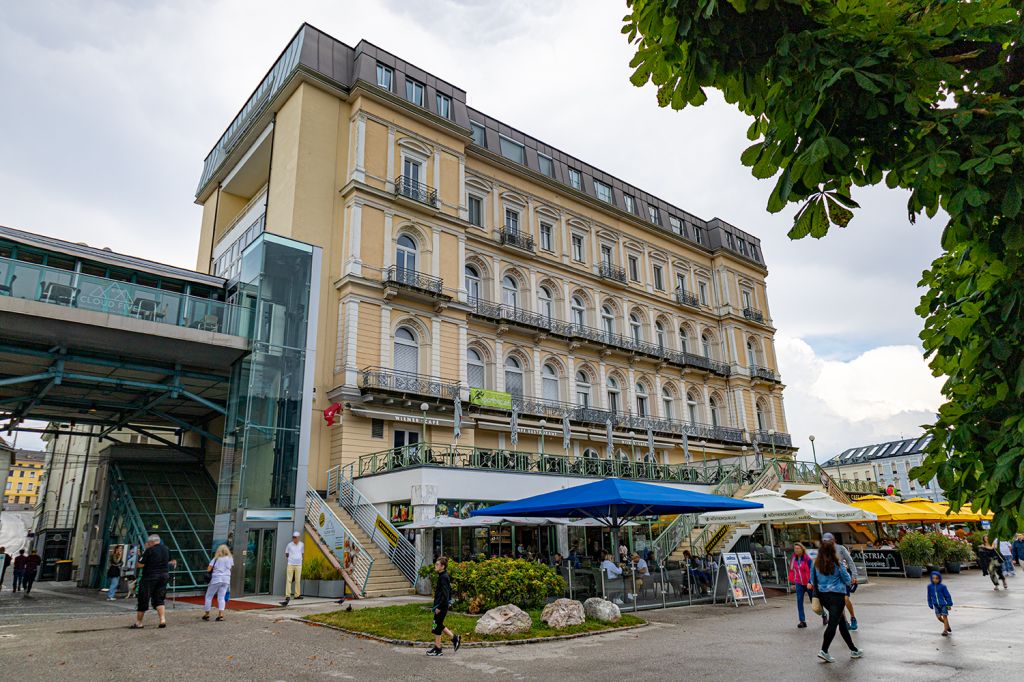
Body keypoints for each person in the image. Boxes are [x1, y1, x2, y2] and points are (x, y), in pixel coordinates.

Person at [812, 540, 862, 663]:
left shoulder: (817, 565)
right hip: (837, 596)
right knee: (833, 624)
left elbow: (813, 581)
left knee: (842, 622)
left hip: (824, 597)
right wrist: (849, 577)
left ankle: (853, 649)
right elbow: (847, 580)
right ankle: (824, 650)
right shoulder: (837, 564)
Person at [132, 534, 176, 629]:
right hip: (164, 576)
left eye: (148, 542)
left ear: (151, 542)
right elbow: (169, 561)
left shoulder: (149, 550)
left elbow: (140, 565)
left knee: (144, 597)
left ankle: (139, 622)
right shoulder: (166, 549)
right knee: (159, 598)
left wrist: (143, 554)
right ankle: (162, 620)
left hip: (150, 577)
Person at [822, 532, 859, 630]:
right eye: (825, 540)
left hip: (844, 575)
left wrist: (854, 575)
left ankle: (853, 618)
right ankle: (845, 622)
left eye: (828, 540)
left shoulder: (841, 548)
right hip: (833, 578)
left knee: (845, 599)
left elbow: (850, 561)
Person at [426, 556, 460, 656]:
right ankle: (439, 647)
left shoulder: (444, 577)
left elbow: (445, 595)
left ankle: (451, 640)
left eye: (437, 564)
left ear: (443, 566)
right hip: (440, 605)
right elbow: (448, 592)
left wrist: (439, 607)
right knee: (437, 625)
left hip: (441, 606)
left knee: (437, 625)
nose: (435, 566)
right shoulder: (442, 576)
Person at [202, 544, 234, 622]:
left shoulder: (216, 559)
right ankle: (221, 614)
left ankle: (207, 614)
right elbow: (230, 568)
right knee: (221, 597)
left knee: (209, 596)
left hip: (216, 579)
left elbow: (209, 569)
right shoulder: (230, 558)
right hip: (226, 579)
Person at [788, 543, 814, 628]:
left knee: (813, 601)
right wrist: (792, 582)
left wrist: (811, 582)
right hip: (799, 582)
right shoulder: (793, 558)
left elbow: (812, 571)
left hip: (808, 583)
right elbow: (791, 570)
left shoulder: (807, 559)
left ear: (802, 549)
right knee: (799, 601)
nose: (796, 550)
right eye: (795, 549)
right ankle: (802, 621)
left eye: (798, 548)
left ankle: (823, 615)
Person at [926, 571, 953, 636]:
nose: (935, 580)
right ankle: (947, 626)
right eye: (933, 578)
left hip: (943, 605)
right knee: (938, 617)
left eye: (936, 578)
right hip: (936, 605)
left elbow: (947, 595)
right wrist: (930, 603)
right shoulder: (930, 587)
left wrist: (949, 604)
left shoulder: (942, 586)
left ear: (939, 579)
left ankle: (945, 631)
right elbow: (929, 596)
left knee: (945, 617)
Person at [282, 531, 304, 605]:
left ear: (298, 538)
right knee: (289, 580)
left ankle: (297, 595)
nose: (294, 539)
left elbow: (302, 553)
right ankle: (288, 595)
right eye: (293, 537)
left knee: (298, 580)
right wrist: (291, 559)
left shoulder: (302, 544)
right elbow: (286, 553)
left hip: (299, 564)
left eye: (295, 537)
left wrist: (298, 559)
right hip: (290, 564)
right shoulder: (289, 545)